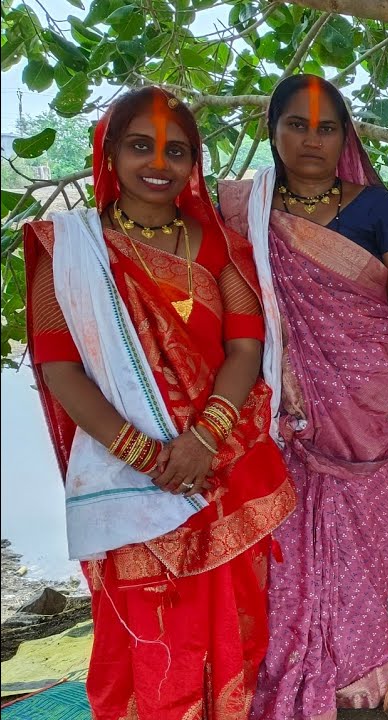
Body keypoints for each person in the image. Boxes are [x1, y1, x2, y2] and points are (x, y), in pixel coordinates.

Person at [21, 86, 295, 717]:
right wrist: (145, 454)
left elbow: (246, 347)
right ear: (110, 152)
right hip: (130, 470)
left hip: (221, 462)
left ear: (192, 162)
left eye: (176, 150)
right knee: (150, 623)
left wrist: (202, 441)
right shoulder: (70, 251)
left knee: (233, 618)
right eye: (140, 145)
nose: (158, 163)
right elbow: (60, 368)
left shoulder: (219, 246)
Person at [217, 74, 388, 718]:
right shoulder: (249, 212)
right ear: (274, 131)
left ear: (344, 137)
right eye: (297, 124)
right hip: (287, 415)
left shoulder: (377, 209)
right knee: (288, 546)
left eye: (326, 127)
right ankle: (292, 664)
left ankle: (357, 667)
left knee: (365, 545)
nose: (311, 139)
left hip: (373, 409)